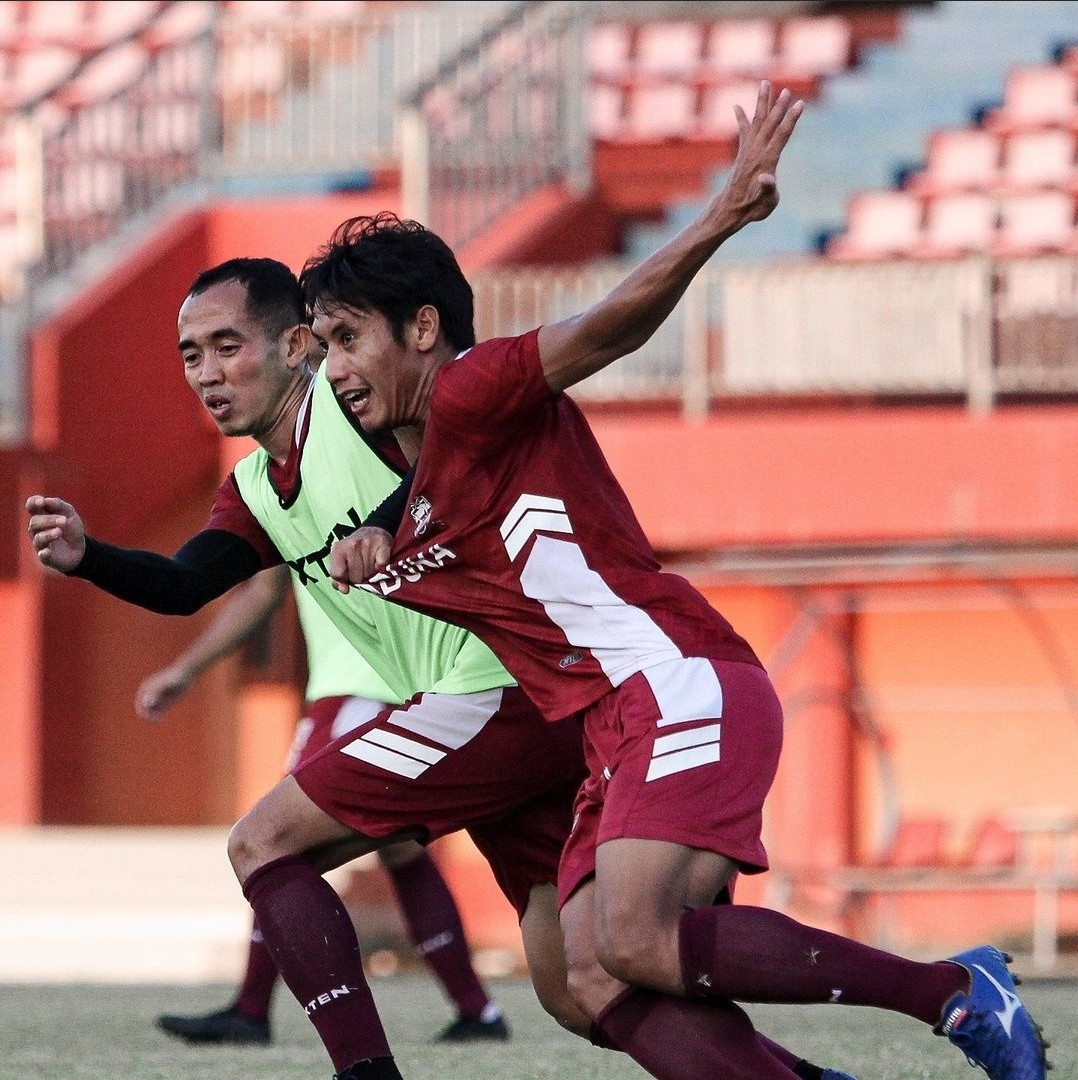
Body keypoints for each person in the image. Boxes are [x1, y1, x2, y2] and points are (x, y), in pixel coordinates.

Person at [304, 82, 1049, 1080]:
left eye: (348, 339)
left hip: (676, 680)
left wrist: (719, 218)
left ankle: (954, 993)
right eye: (321, 348)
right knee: (584, 980)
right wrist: (369, 538)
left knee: (640, 940)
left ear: (426, 330)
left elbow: (608, 328)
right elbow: (414, 510)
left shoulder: (475, 389)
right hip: (613, 728)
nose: (334, 368)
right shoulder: (415, 486)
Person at [25, 250, 857, 1080]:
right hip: (509, 707)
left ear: (296, 348)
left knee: (264, 845)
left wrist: (387, 522)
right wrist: (87, 555)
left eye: (227, 346)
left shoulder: (356, 406)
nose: (208, 373)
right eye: (191, 356)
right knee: (580, 987)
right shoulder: (253, 489)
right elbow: (184, 584)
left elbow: (452, 450)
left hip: (497, 690)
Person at [137, 563, 510, 1045]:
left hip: (361, 687)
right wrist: (185, 670)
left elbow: (263, 590)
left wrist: (183, 670)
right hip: (396, 686)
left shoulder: (326, 490)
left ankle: (252, 1009)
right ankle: (477, 1011)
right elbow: (265, 589)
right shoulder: (283, 497)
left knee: (273, 841)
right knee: (398, 849)